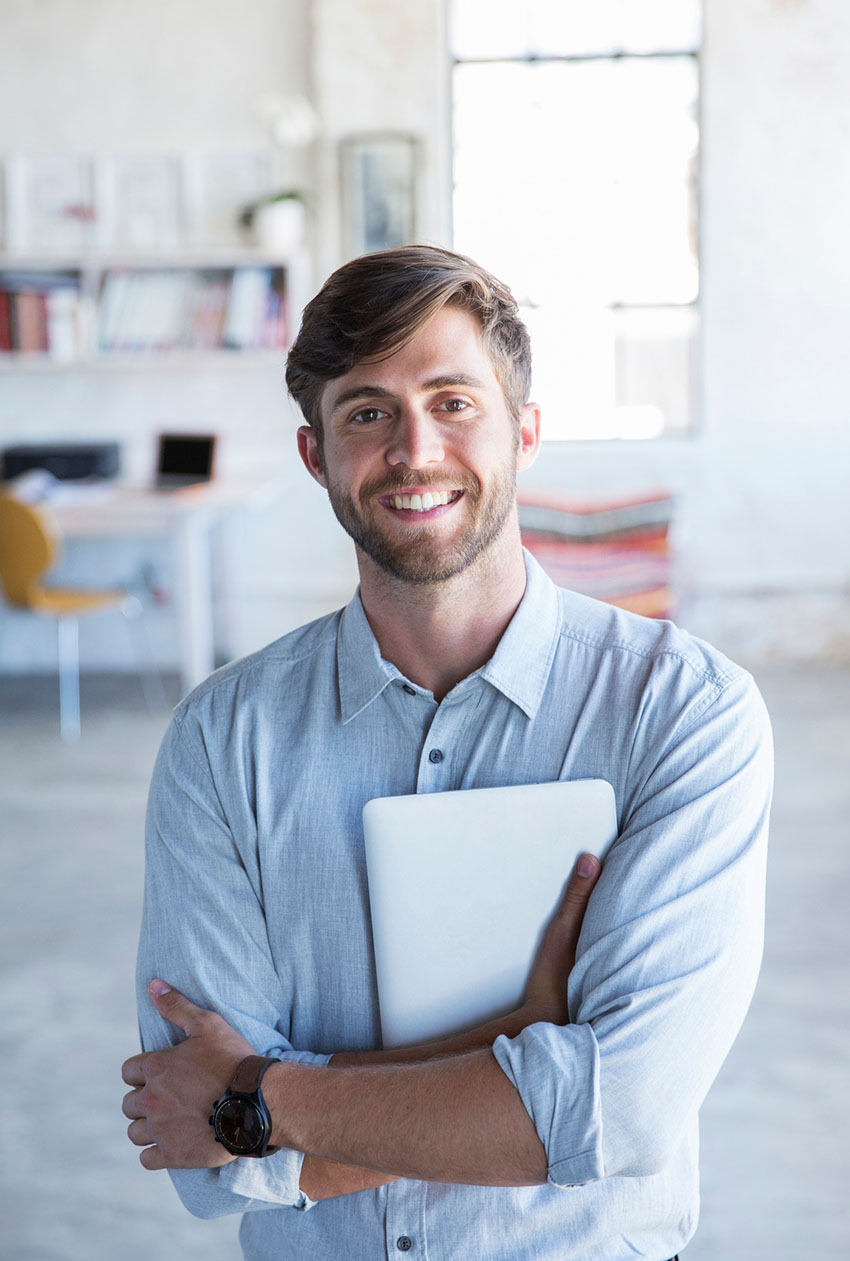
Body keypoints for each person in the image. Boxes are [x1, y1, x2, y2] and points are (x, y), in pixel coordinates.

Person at [121, 246, 772, 1261]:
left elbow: (627, 1110)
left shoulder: (683, 713)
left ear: (525, 430)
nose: (414, 450)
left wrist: (265, 1096)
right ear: (316, 455)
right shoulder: (222, 740)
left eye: (453, 401)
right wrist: (528, 1039)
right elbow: (204, 1160)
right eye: (367, 412)